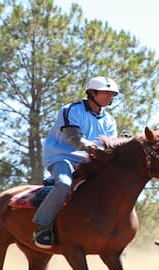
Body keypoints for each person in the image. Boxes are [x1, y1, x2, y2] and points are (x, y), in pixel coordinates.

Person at [32, 76, 120, 248]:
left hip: (90, 161)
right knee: (64, 184)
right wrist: (93, 148)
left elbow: (111, 144)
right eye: (106, 93)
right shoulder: (71, 110)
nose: (110, 97)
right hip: (62, 158)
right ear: (92, 93)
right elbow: (74, 138)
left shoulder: (109, 120)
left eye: (113, 94)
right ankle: (43, 227)